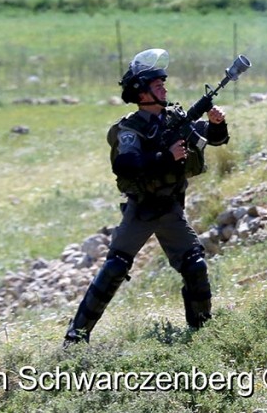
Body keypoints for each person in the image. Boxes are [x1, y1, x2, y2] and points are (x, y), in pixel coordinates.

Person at [64, 49, 229, 345]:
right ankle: (75, 338)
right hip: (141, 210)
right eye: (157, 84)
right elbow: (125, 164)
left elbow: (212, 138)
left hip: (170, 210)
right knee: (115, 268)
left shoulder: (176, 118)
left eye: (164, 83)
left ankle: (202, 334)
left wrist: (217, 124)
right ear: (142, 93)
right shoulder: (130, 128)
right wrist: (166, 157)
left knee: (196, 266)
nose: (164, 88)